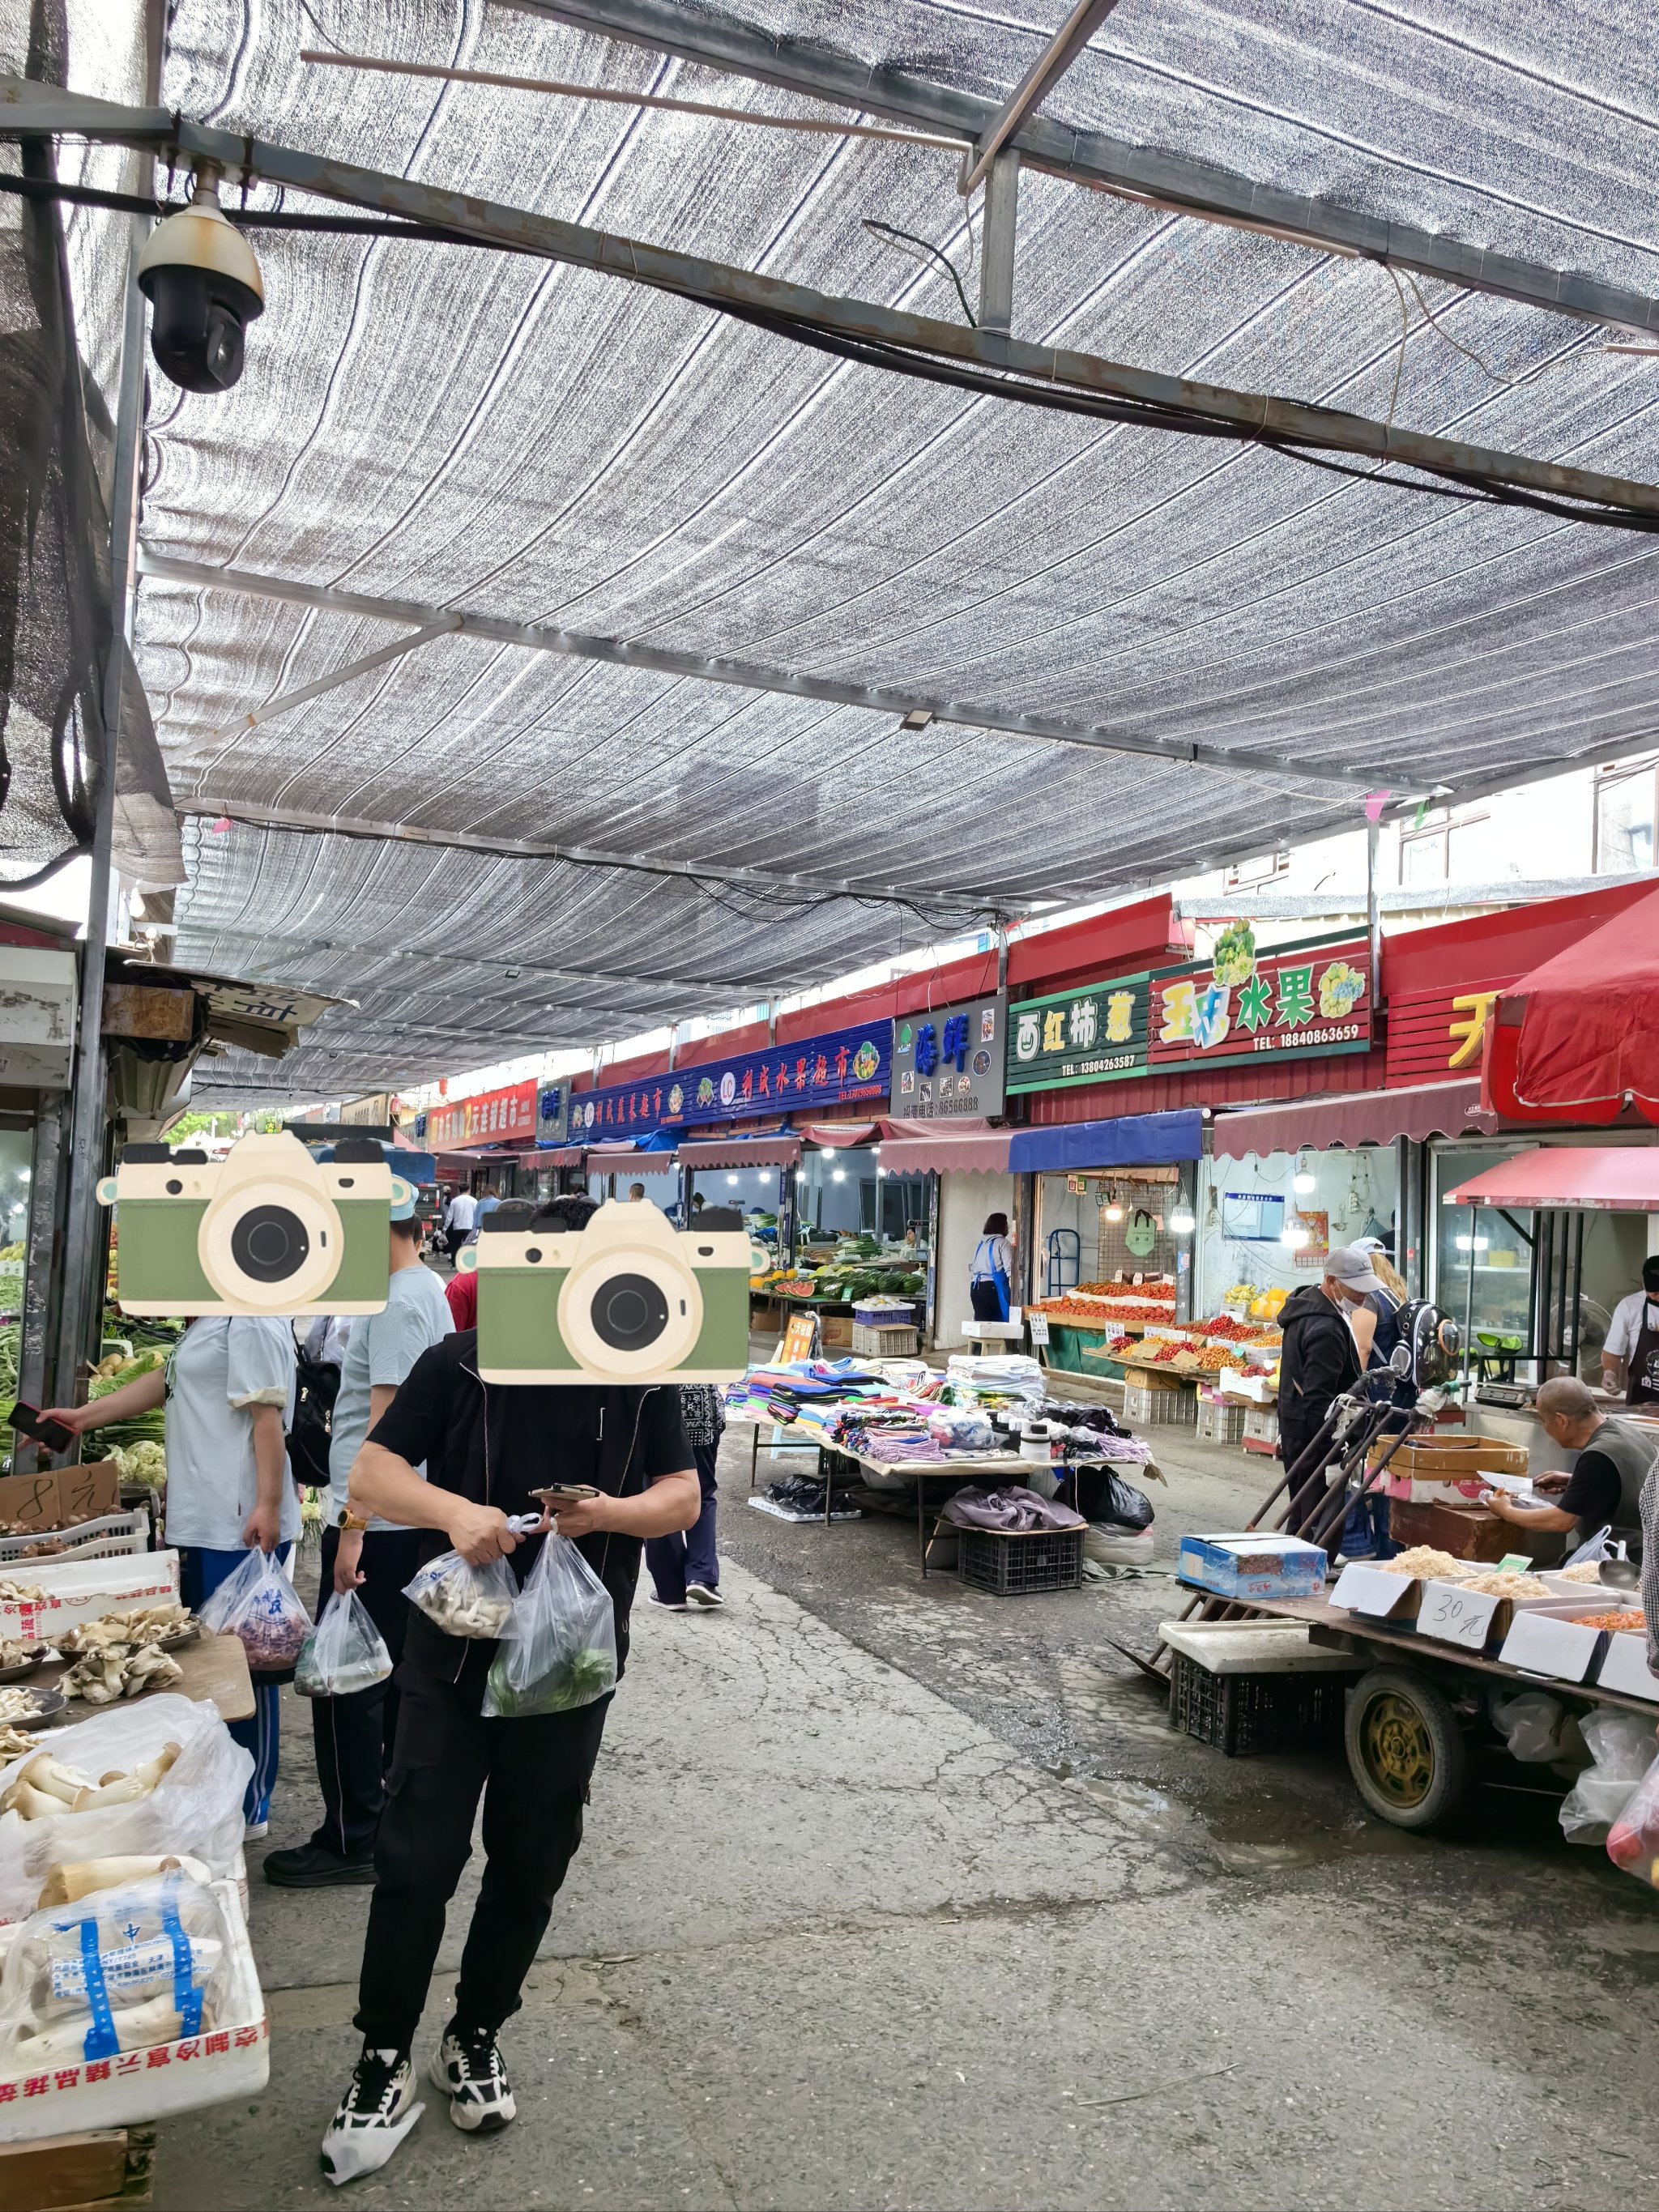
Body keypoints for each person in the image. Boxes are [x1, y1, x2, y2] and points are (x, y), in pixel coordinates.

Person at [318, 1199, 699, 2181]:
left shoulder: (639, 1371)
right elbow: (372, 1468)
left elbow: (683, 1498)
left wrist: (608, 1512)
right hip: (450, 1655)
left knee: (531, 1859)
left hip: (570, 1667)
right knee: (416, 1856)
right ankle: (382, 2052)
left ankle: (475, 2031)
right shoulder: (463, 1360)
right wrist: (452, 1513)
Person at [46, 1314, 298, 1839]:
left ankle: (253, 1802)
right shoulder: (210, 1317)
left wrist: (268, 1505)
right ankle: (221, 1786)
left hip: (239, 1524)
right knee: (210, 1667)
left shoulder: (250, 1318)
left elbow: (267, 1418)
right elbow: (166, 1383)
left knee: (247, 1665)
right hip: (202, 1519)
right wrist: (82, 1418)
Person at [265, 1193, 454, 1889]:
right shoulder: (419, 1289)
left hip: (379, 1524)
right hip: (393, 1523)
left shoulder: (399, 1301)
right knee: (387, 1680)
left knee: (348, 1684)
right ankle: (383, 1821)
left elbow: (384, 1433)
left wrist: (351, 1530)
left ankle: (353, 1836)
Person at [1482, 1375, 1659, 1563]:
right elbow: (1623, 1483)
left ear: (1561, 1421)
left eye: (1543, 1420)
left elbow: (1561, 1521)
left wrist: (1505, 1510)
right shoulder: (1626, 1432)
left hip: (1622, 1563)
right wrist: (1574, 1481)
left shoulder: (1597, 1456)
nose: (1545, 1428)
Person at [1276, 1246, 1380, 1529]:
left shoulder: (1309, 1305)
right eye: (1355, 1288)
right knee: (1316, 1515)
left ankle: (1295, 1562)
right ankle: (1308, 1567)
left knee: (1301, 1509)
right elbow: (1318, 1398)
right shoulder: (1324, 1328)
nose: (1363, 1296)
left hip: (1295, 1425)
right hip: (1313, 1433)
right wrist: (1332, 1451)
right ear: (1332, 1281)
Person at [646, 1384, 726, 1610]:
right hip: (700, 1407)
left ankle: (670, 1591)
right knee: (702, 1494)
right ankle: (701, 1577)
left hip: (658, 1405)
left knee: (658, 1496)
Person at [1601, 1255, 1659, 1406]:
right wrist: (1610, 1374)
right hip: (1642, 1403)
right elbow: (1613, 1351)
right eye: (1653, 1292)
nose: (1656, 1296)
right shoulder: (1629, 1307)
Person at [969, 1213, 1015, 1322]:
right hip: (992, 1287)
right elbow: (1010, 1270)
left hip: (975, 1287)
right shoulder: (1003, 1243)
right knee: (998, 1324)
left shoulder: (981, 1244)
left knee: (982, 1324)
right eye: (1006, 1224)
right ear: (1002, 1226)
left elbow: (973, 1267)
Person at [443, 1186, 476, 1261]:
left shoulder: (455, 1201)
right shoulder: (474, 1201)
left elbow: (450, 1216)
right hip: (469, 1227)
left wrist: (445, 1228)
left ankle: (455, 1263)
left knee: (456, 1246)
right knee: (468, 1246)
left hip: (457, 1227)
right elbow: (476, 1215)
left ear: (459, 1190)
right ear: (469, 1190)